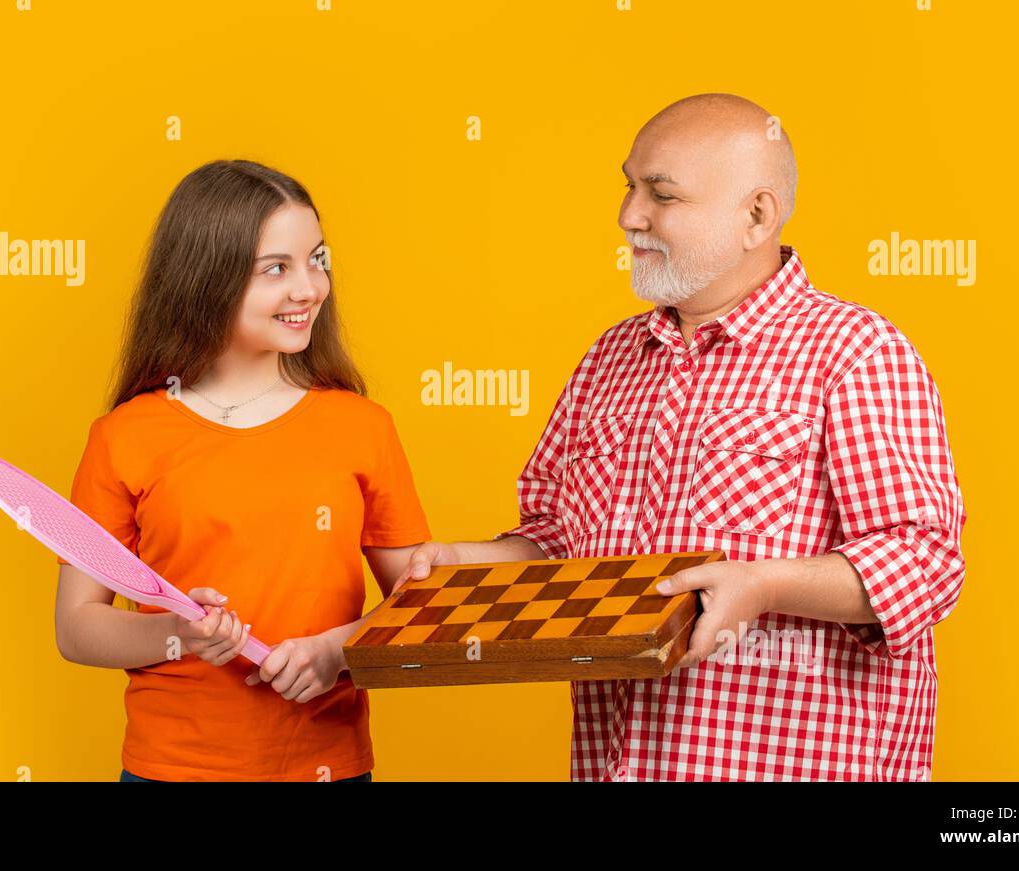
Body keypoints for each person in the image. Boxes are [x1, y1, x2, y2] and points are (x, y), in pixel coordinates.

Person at [402, 94, 966, 781]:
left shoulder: (855, 352)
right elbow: (558, 543)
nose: (627, 216)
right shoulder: (606, 361)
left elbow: (924, 563)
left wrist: (761, 585)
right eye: (628, 187)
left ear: (757, 215)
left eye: (660, 195)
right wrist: (460, 559)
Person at [55, 160, 430, 781]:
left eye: (317, 259)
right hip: (169, 770)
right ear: (205, 279)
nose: (308, 288)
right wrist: (178, 633)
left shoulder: (362, 426)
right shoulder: (125, 436)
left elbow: (419, 602)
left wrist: (336, 652)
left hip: (327, 766)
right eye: (275, 269)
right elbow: (77, 627)